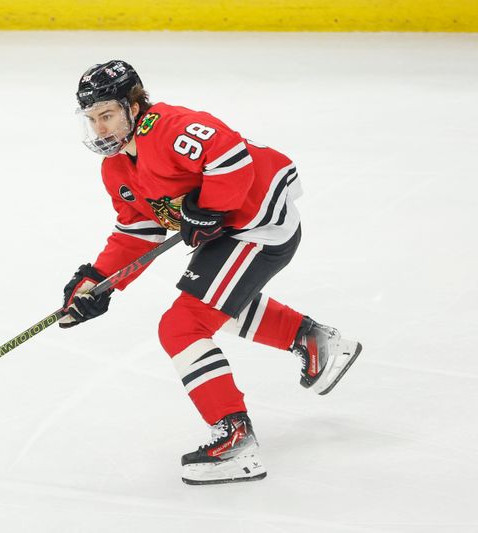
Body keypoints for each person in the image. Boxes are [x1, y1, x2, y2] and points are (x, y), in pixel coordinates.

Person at [60, 60, 362, 485]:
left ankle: (235, 439)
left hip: (259, 225)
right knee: (215, 306)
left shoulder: (169, 127)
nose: (100, 129)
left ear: (134, 104)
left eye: (107, 115)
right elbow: (137, 232)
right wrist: (97, 281)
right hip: (231, 231)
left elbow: (230, 153)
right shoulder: (116, 168)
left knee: (182, 326)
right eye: (91, 119)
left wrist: (215, 208)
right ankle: (315, 341)